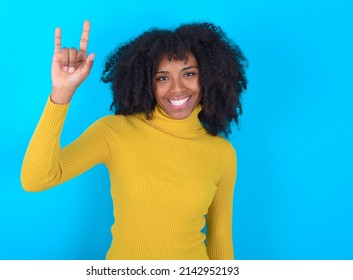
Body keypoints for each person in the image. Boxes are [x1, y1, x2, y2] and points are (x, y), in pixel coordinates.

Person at [21, 20, 248, 260]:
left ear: (209, 78)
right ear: (147, 83)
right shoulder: (114, 132)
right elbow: (36, 179)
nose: (177, 88)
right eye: (162, 78)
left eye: (189, 74)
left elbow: (220, 241)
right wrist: (61, 93)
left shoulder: (221, 152)